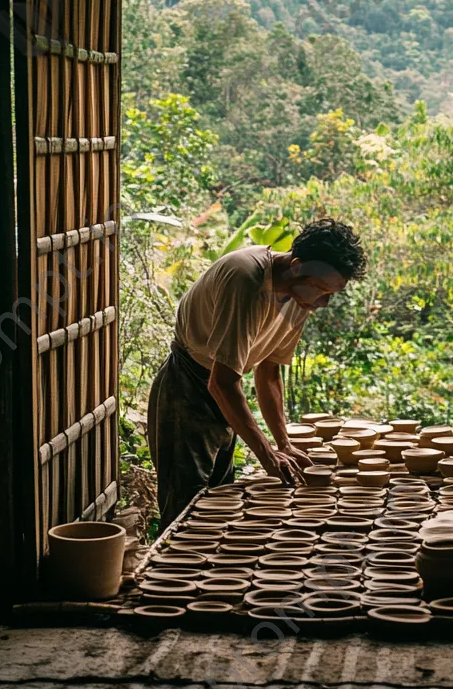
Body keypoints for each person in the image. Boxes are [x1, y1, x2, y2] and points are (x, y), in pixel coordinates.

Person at [147, 218, 367, 527]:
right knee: (187, 510)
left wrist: (284, 444)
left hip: (221, 391)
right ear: (298, 266)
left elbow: (269, 372)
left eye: (332, 293)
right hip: (186, 387)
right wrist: (266, 455)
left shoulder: (300, 299)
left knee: (219, 503)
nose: (325, 302)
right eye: (321, 289)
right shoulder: (246, 279)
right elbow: (222, 383)